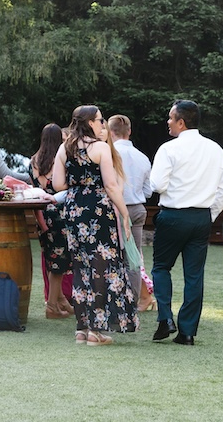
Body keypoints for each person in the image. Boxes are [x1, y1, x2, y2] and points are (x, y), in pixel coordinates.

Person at [52, 106, 138, 345]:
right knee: (101, 266)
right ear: (90, 122)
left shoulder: (64, 147)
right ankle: (96, 331)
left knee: (80, 268)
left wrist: (78, 186)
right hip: (98, 209)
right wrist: (125, 215)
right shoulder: (99, 147)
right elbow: (111, 186)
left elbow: (58, 184)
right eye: (100, 120)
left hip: (73, 209)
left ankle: (81, 328)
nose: (102, 124)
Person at [149, 99, 223, 345]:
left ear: (181, 122)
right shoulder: (215, 149)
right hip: (201, 217)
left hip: (173, 215)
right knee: (194, 275)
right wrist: (209, 214)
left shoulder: (168, 149)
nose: (168, 122)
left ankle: (165, 318)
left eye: (171, 118)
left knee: (161, 267)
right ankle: (187, 332)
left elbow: (158, 185)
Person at [109, 114, 154, 312]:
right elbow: (148, 191)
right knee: (134, 259)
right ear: (129, 132)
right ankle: (132, 302)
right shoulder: (142, 157)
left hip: (116, 209)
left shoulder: (109, 155)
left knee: (111, 257)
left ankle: (114, 300)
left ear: (111, 133)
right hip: (137, 209)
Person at [30, 123, 73, 318]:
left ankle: (58, 300)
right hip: (59, 212)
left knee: (51, 258)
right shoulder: (61, 160)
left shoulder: (34, 160)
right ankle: (52, 307)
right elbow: (64, 186)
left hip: (41, 213)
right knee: (60, 261)